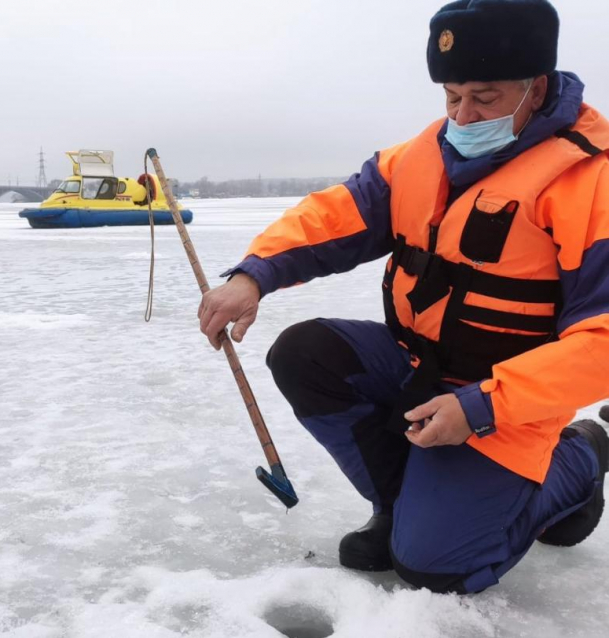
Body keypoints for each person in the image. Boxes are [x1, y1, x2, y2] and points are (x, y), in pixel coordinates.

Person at [198, 0, 609, 594]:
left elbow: (602, 341)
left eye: (485, 98)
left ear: (536, 88)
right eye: (451, 96)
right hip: (420, 372)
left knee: (437, 568)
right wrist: (252, 275)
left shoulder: (590, 180)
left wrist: (481, 407)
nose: (464, 116)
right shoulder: (419, 157)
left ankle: (580, 459)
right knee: (305, 352)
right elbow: (333, 217)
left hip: (509, 403)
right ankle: (401, 503)